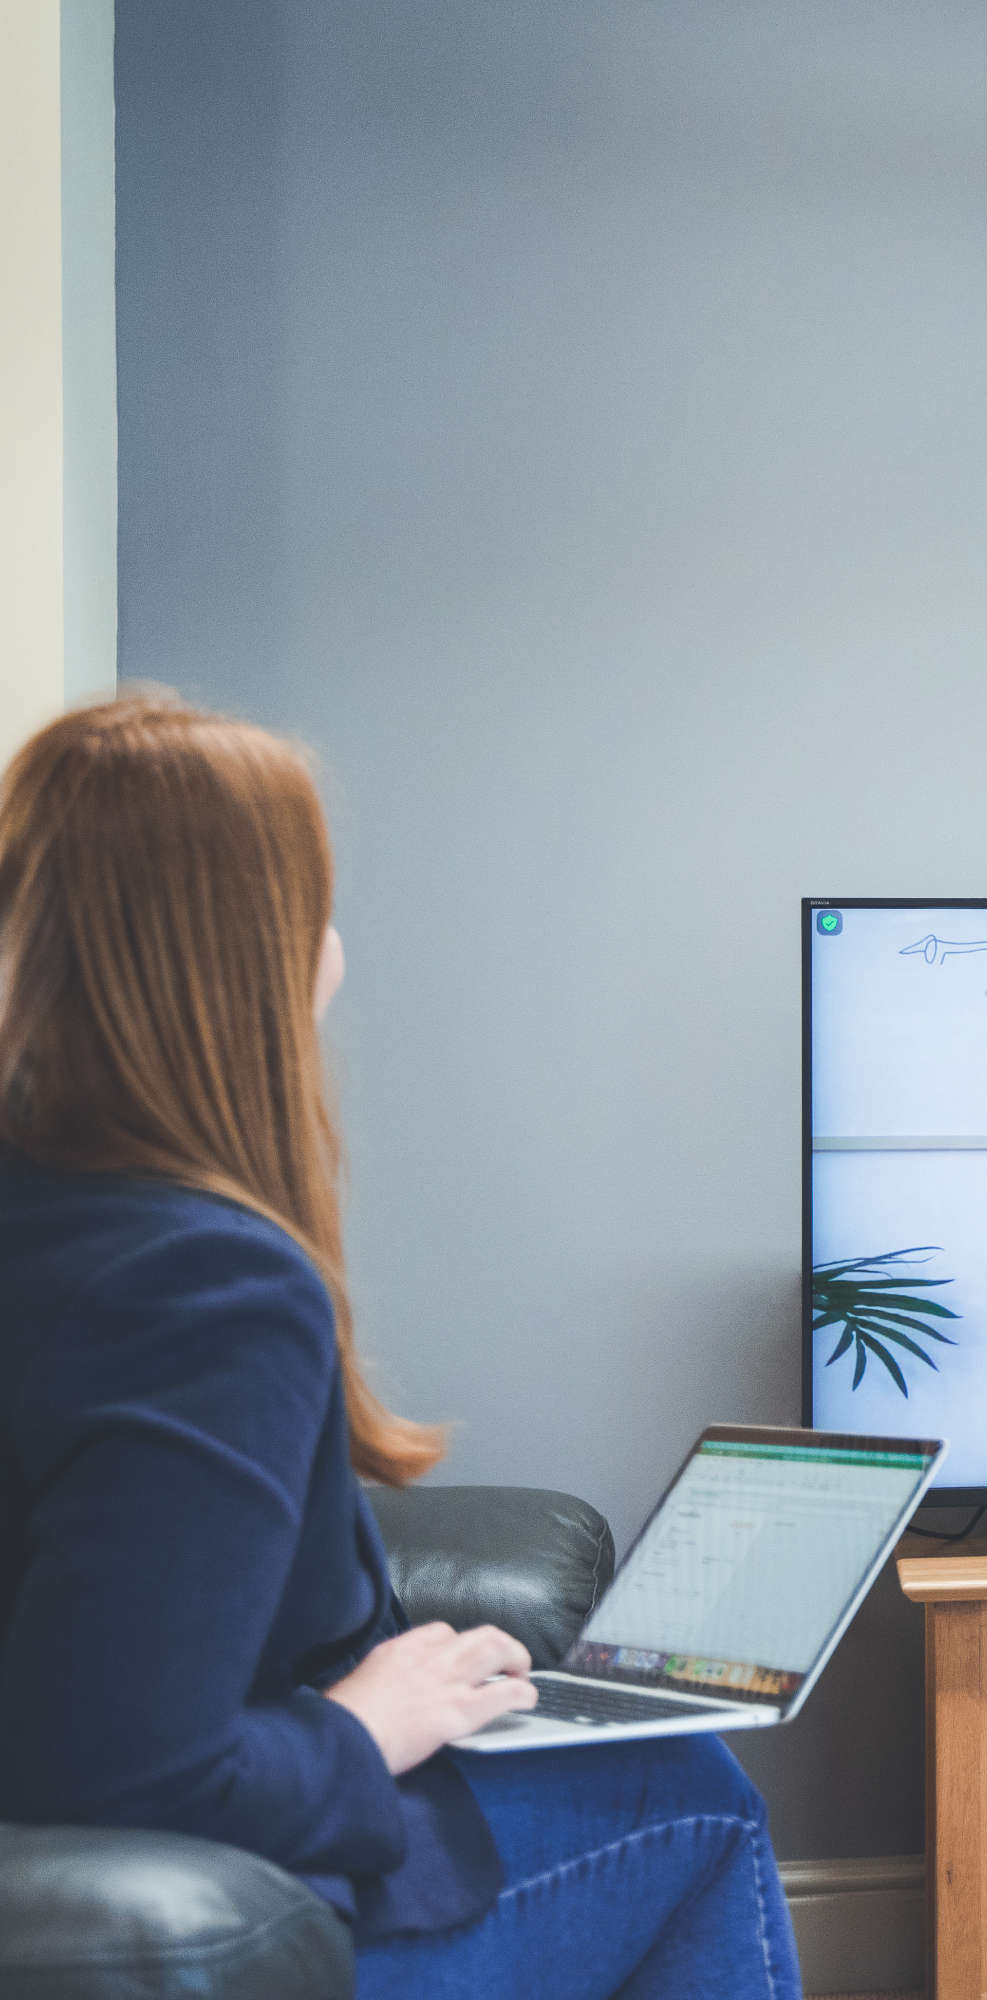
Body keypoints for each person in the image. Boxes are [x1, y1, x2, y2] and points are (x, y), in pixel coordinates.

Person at [0, 696, 797, 1996]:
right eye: (309, 907)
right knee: (691, 1791)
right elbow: (119, 1765)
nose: (335, 952)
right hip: (222, 1896)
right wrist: (364, 1726)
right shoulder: (204, 1282)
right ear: (242, 957)